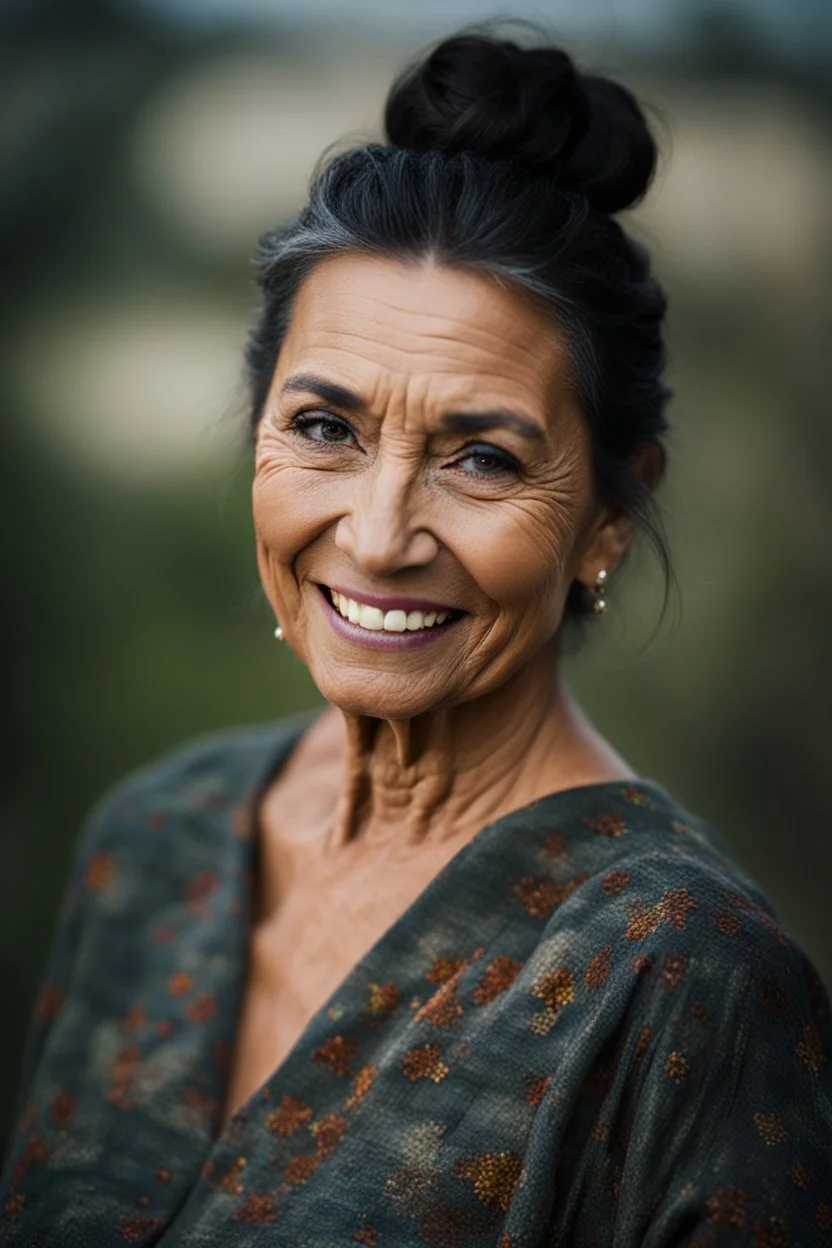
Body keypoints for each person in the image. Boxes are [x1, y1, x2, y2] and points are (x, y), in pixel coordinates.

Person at [2, 29, 830, 1248]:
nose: (380, 534)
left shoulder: (680, 980)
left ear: (610, 514)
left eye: (481, 458)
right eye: (325, 429)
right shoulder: (155, 841)